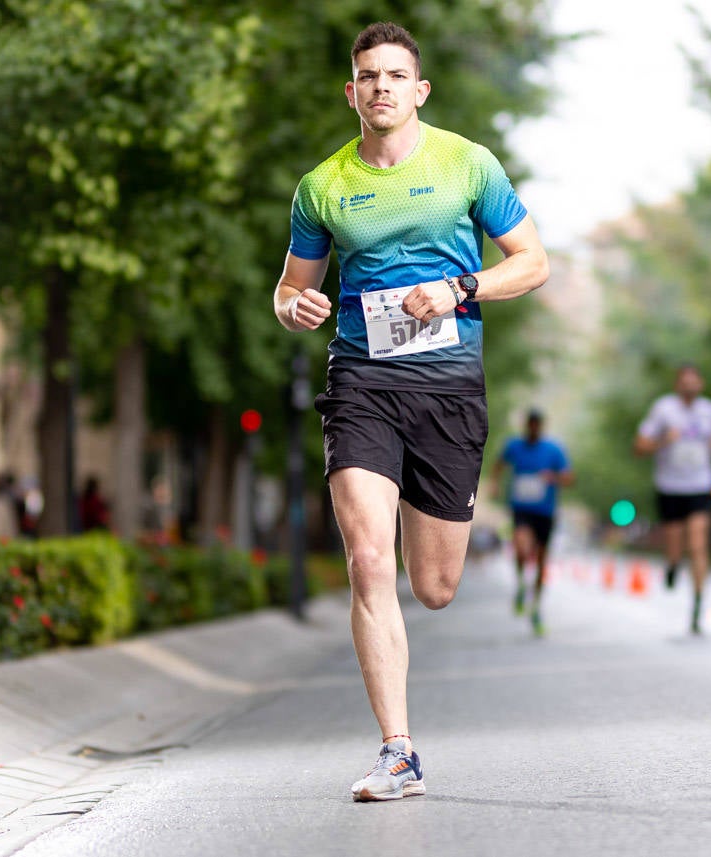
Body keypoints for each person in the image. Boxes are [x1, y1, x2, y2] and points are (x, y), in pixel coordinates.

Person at [272, 21, 549, 802]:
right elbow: (289, 285)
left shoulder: (467, 163)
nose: (382, 87)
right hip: (361, 382)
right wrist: (294, 306)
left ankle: (401, 739)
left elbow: (533, 262)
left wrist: (462, 287)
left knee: (433, 584)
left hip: (449, 389)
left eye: (396, 75)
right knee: (368, 559)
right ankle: (397, 750)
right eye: (369, 76)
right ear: (352, 91)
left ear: (419, 90)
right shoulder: (323, 185)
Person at [634, 364, 711, 634]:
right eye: (684, 381)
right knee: (676, 546)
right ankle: (673, 564)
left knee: (699, 544)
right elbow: (639, 446)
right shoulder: (663, 409)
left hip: (700, 485)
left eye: (694, 381)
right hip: (670, 487)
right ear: (677, 385)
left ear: (701, 383)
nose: (689, 386)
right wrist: (663, 440)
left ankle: (698, 603)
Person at [491, 409, 574, 637]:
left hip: (545, 512)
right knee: (520, 547)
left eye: (537, 425)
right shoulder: (514, 446)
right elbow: (498, 465)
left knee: (541, 562)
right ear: (526, 425)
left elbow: (569, 478)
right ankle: (520, 584)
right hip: (521, 510)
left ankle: (536, 606)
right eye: (531, 425)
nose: (534, 429)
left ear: (542, 426)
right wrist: (495, 483)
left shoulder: (554, 449)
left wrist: (554, 478)